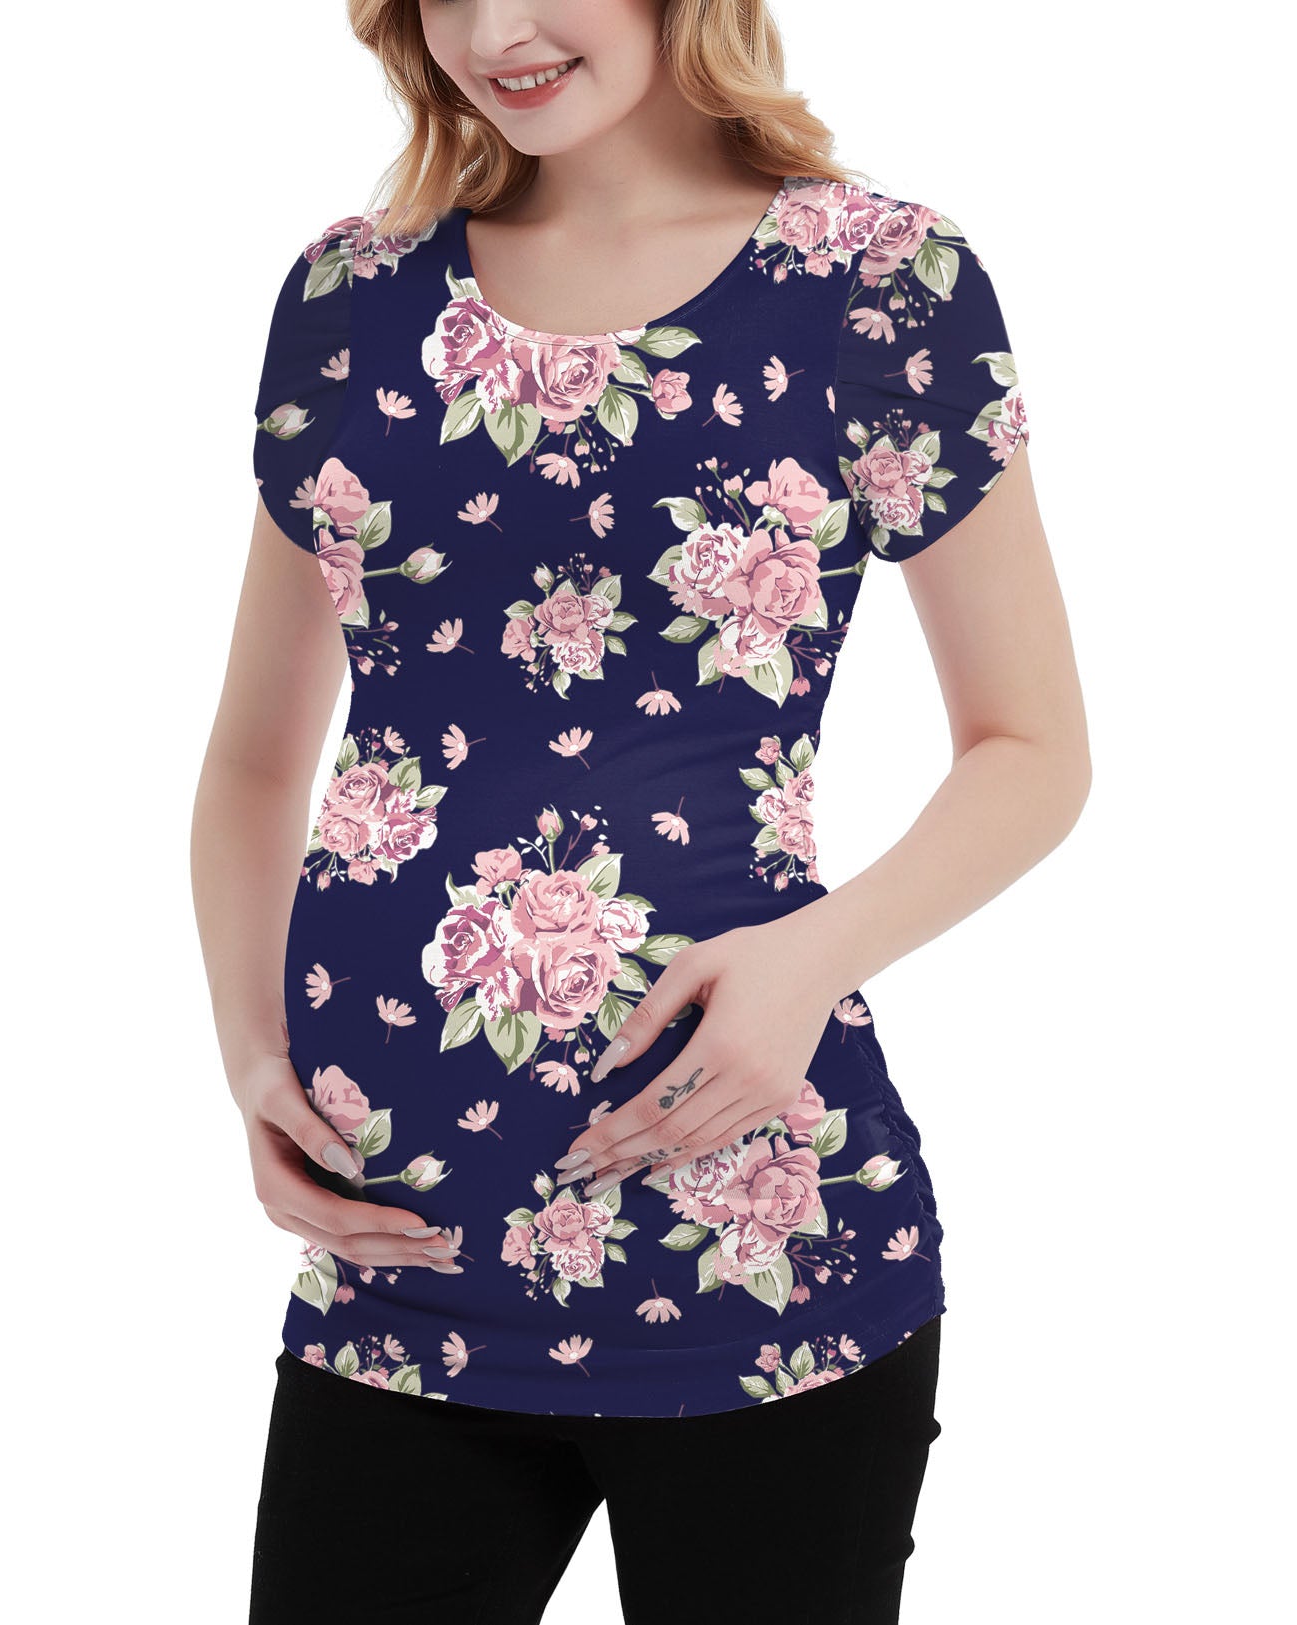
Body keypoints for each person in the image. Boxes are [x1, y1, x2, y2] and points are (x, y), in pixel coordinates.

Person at [190, 2, 1088, 1620]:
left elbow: (1031, 748)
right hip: (400, 1263)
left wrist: (809, 960)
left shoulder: (876, 281)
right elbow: (256, 760)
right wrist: (253, 1052)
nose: (493, 30)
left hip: (761, 1263)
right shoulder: (347, 297)